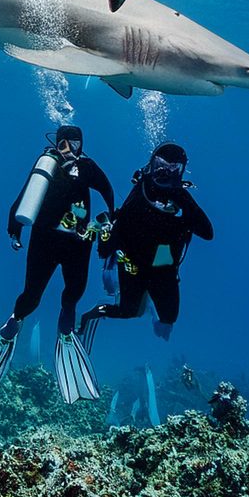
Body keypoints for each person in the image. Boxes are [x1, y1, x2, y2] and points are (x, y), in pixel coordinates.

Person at [0, 124, 113, 402]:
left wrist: (14, 229)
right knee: (40, 294)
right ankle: (23, 323)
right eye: (66, 143)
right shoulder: (50, 165)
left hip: (68, 241)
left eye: (75, 143)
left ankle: (45, 325)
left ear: (81, 143)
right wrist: (14, 230)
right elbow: (25, 197)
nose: (71, 149)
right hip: (55, 241)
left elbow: (106, 191)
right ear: (57, 143)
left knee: (67, 293)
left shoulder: (79, 167)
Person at [78, 141, 213, 356]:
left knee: (169, 318)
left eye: (173, 169)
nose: (165, 173)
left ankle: (147, 300)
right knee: (129, 311)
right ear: (151, 165)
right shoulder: (141, 192)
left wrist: (182, 199)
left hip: (163, 266)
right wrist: (108, 242)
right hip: (133, 264)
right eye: (160, 165)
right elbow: (111, 242)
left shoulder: (181, 197)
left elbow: (207, 233)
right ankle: (91, 314)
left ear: (180, 172)